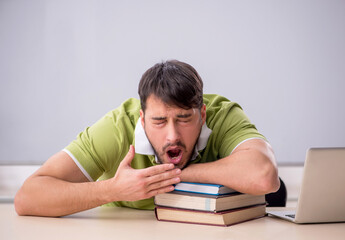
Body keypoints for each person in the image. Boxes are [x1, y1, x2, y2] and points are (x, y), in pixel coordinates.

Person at [15, 60, 280, 217]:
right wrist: (113, 190)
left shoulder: (222, 115)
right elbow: (28, 197)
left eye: (184, 119)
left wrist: (178, 175)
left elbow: (264, 175)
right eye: (159, 121)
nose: (172, 135)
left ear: (202, 114)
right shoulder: (118, 127)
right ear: (142, 119)